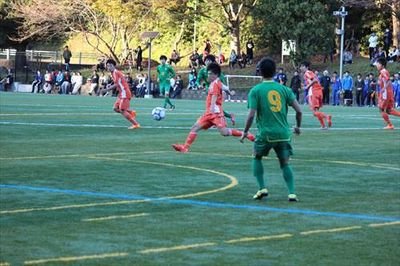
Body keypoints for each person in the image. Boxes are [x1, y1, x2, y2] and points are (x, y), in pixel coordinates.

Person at [240, 57, 302, 202]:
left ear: (260, 72)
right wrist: (297, 127)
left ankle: (262, 188)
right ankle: (292, 193)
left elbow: (251, 115)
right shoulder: (284, 89)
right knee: (285, 163)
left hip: (266, 133)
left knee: (256, 156)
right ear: (275, 72)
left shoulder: (256, 90)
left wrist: (245, 131)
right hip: (284, 134)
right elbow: (299, 111)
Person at [172, 62, 255, 153]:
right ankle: (185, 148)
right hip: (209, 113)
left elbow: (215, 96)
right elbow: (225, 88)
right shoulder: (216, 82)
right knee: (195, 127)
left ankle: (245, 134)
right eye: (208, 73)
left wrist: (211, 107)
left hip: (216, 113)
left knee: (224, 132)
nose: (208, 75)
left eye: (210, 73)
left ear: (215, 75)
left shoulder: (215, 84)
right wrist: (230, 93)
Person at [196, 54, 236, 125]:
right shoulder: (202, 71)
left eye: (209, 61)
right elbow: (197, 80)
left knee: (214, 106)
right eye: (206, 60)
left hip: (217, 92)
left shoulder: (216, 71)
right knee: (214, 107)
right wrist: (199, 85)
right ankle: (228, 116)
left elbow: (222, 83)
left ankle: (217, 121)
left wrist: (226, 91)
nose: (207, 62)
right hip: (209, 91)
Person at [103, 59, 140, 129]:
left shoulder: (116, 72)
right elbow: (118, 82)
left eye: (110, 66)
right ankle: (131, 112)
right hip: (121, 93)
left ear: (114, 66)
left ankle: (136, 124)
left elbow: (116, 84)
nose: (109, 67)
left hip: (124, 93)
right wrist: (109, 85)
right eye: (107, 66)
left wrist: (107, 89)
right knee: (115, 108)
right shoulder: (113, 73)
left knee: (122, 110)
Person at [300, 61, 332, 129]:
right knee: (317, 111)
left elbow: (314, 80)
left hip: (314, 91)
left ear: (306, 67)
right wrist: (306, 85)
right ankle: (323, 126)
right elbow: (315, 80)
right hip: (318, 91)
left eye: (302, 66)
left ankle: (327, 116)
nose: (300, 68)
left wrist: (307, 86)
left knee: (314, 112)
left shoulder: (307, 73)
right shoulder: (311, 72)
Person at [375, 57, 400, 129]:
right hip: (388, 93)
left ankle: (390, 125)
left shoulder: (383, 71)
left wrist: (383, 88)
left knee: (381, 109)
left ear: (382, 65)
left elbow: (388, 80)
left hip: (385, 94)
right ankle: (390, 125)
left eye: (378, 64)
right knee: (389, 110)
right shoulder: (383, 72)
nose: (377, 65)